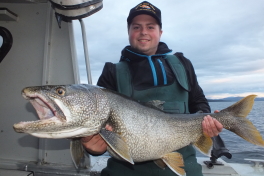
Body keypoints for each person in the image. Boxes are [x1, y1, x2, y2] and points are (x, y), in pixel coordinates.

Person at [82, 1, 223, 176]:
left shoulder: (183, 64)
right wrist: (93, 147)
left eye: (150, 27)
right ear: (129, 32)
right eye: (136, 27)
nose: (143, 32)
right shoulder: (112, 71)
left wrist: (208, 123)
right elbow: (100, 130)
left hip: (184, 169)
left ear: (160, 32)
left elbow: (199, 102)